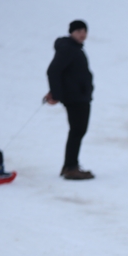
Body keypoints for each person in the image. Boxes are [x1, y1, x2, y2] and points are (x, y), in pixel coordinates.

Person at [44, 19, 94, 180]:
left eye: (84, 31)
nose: (82, 34)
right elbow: (53, 71)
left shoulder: (74, 48)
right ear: (71, 32)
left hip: (79, 96)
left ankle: (69, 166)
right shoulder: (68, 49)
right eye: (78, 31)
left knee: (78, 130)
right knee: (78, 130)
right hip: (75, 98)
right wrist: (56, 94)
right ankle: (71, 167)